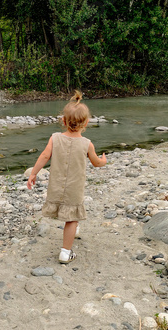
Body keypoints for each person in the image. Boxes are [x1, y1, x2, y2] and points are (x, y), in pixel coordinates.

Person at [27, 90, 107, 264]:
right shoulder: (87, 144)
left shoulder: (55, 138)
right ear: (86, 123)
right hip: (74, 188)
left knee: (68, 215)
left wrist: (33, 173)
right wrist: (103, 160)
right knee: (72, 218)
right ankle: (65, 252)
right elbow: (96, 163)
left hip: (56, 186)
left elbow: (44, 156)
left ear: (63, 121)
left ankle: (71, 237)